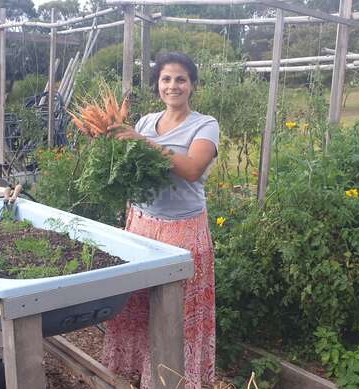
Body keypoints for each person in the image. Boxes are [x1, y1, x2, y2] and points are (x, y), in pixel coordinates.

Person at [101, 52, 218, 389]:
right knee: (137, 306)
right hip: (141, 225)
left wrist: (142, 143)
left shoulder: (204, 125)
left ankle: (174, 381)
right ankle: (139, 376)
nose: (173, 85)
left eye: (181, 79)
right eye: (166, 79)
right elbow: (133, 172)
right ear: (157, 86)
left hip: (183, 233)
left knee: (175, 314)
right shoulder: (145, 122)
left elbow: (193, 169)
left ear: (192, 85)